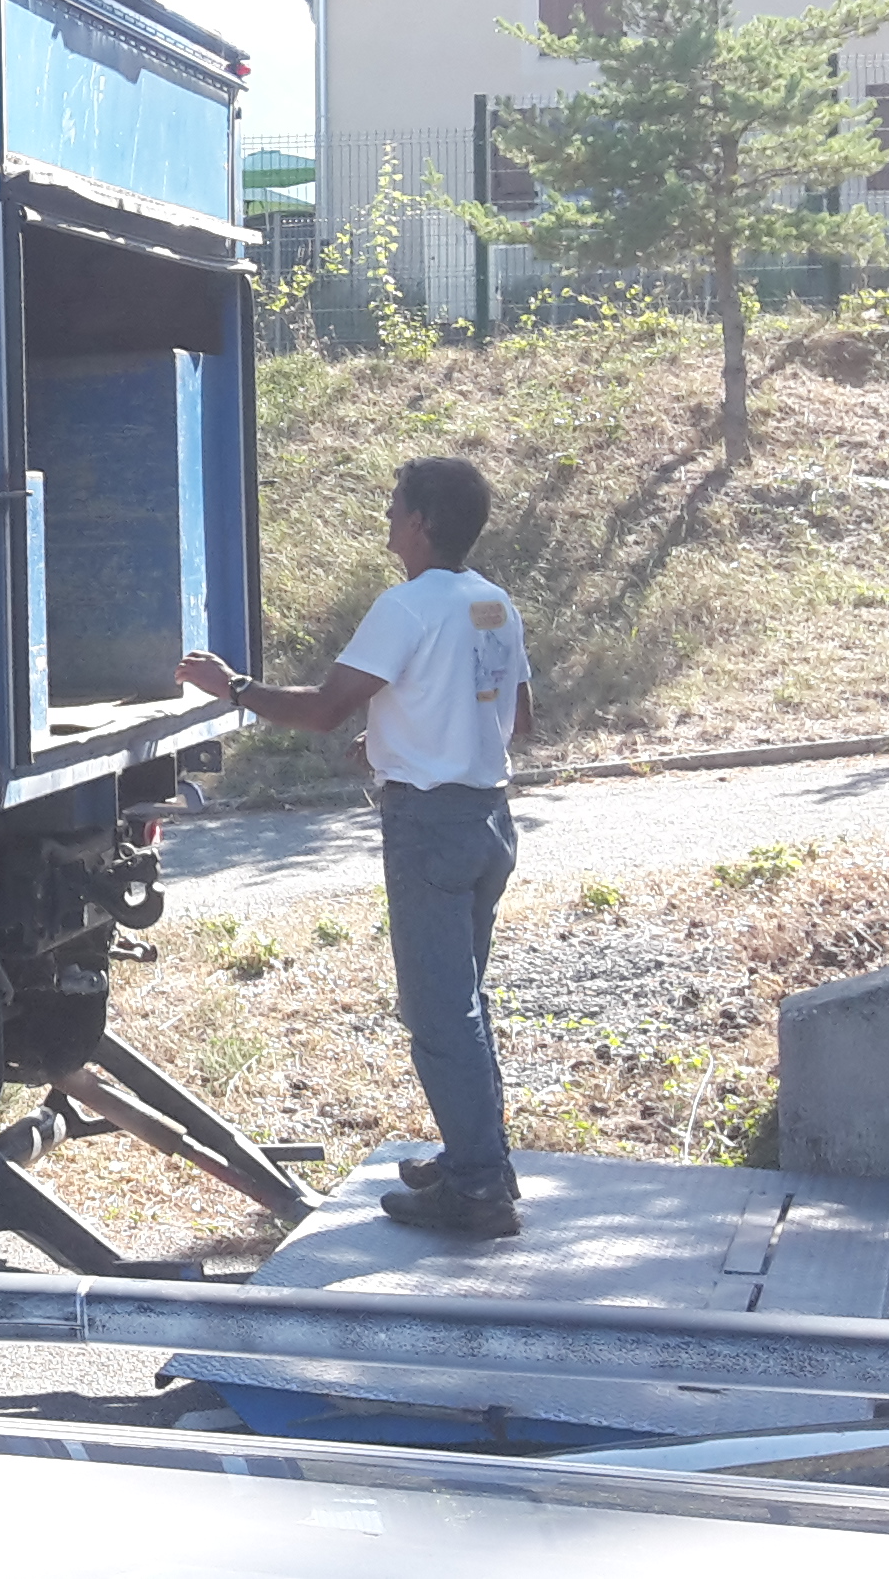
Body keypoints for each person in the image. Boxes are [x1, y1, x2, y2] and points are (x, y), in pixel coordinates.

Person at [175, 457, 535, 1238]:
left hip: (428, 828)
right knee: (465, 1002)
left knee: (439, 1013)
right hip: (487, 820)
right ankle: (482, 1160)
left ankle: (478, 1188)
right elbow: (517, 717)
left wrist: (233, 687)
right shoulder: (493, 602)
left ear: (422, 523)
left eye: (395, 505)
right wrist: (405, 734)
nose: (387, 516)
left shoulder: (405, 607)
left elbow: (323, 711)